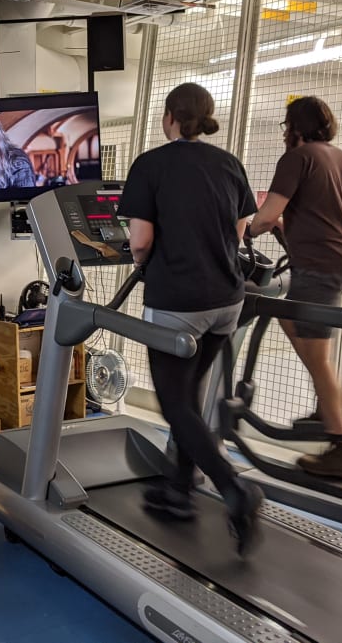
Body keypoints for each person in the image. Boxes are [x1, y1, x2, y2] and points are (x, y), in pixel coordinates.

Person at [118, 82, 264, 556]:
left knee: (174, 403)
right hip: (227, 301)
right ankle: (178, 490)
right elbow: (239, 229)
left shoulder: (151, 164)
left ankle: (233, 488)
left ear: (168, 117)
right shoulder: (229, 164)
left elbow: (140, 241)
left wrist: (145, 261)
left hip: (178, 302)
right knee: (190, 395)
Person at [247, 96, 342, 481]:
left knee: (319, 358)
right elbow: (317, 214)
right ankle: (326, 407)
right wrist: (287, 230)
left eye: (286, 126)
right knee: (288, 319)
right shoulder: (341, 159)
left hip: (320, 266)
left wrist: (242, 231)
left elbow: (265, 217)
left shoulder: (296, 158)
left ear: (295, 128)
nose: (285, 133)